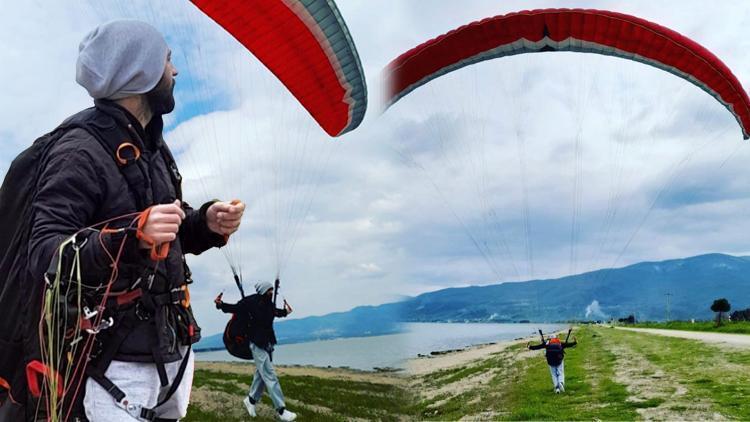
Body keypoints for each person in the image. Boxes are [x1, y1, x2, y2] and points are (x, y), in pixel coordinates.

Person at [23, 20, 246, 421]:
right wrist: (130, 236)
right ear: (140, 70)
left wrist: (205, 223)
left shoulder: (153, 148)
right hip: (114, 363)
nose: (174, 71)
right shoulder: (79, 151)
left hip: (170, 347)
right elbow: (44, 253)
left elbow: (168, 233)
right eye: (167, 60)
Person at [215, 282, 296, 421]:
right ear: (264, 291)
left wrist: (285, 312)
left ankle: (251, 400)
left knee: (262, 374)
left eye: (272, 290)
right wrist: (220, 304)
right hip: (257, 343)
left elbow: (275, 312)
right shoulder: (250, 302)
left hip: (268, 343)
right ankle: (281, 411)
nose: (272, 292)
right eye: (270, 290)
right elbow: (234, 308)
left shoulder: (268, 304)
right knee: (270, 375)